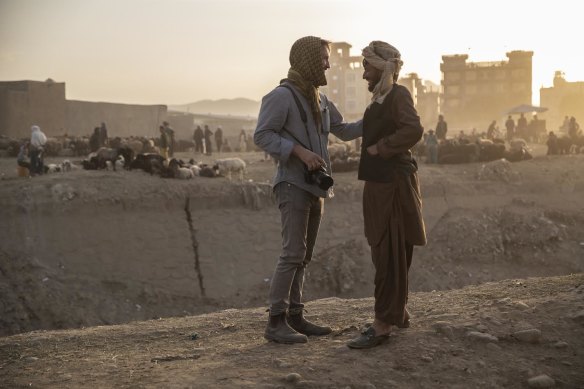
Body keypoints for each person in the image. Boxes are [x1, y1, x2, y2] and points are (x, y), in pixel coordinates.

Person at [254, 35, 363, 344]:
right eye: (324, 58)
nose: (328, 64)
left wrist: (377, 117)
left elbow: (344, 131)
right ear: (309, 60)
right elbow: (262, 135)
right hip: (291, 184)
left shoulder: (320, 99)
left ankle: (295, 316)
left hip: (315, 187)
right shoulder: (281, 96)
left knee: (304, 255)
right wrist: (300, 153)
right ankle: (275, 322)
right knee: (292, 253)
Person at [346, 41, 426, 349]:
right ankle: (398, 312)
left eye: (367, 66)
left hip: (392, 185)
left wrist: (382, 148)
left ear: (380, 67)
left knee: (388, 252)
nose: (364, 72)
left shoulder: (398, 94)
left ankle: (382, 325)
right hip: (381, 184)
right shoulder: (381, 97)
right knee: (390, 251)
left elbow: (414, 129)